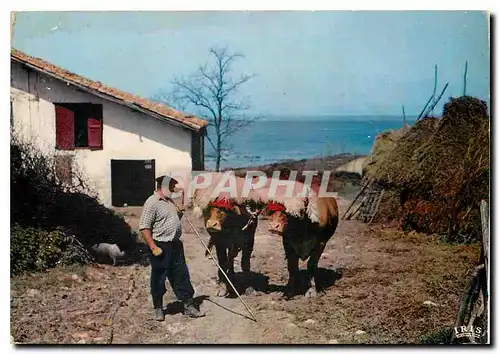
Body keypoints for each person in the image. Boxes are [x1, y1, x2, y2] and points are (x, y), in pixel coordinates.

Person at [139, 175, 205, 321]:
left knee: (181, 274)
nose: (174, 190)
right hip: (160, 245)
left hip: (175, 245)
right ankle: (158, 308)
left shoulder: (170, 202)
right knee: (159, 277)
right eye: (172, 187)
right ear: (162, 187)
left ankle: (188, 305)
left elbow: (175, 218)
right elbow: (144, 227)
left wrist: (181, 201)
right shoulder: (152, 202)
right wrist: (153, 246)